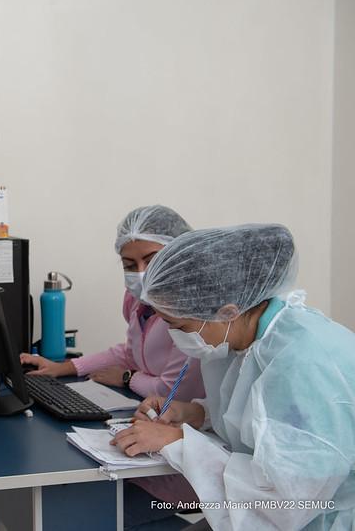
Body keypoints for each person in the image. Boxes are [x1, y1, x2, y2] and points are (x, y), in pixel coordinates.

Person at [114, 224, 355, 530]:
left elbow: (287, 501)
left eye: (181, 327)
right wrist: (196, 413)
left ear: (227, 311)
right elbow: (260, 417)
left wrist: (179, 442)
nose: (175, 337)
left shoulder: (303, 363)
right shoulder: (239, 341)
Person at [20, 205, 205, 529]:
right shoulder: (136, 301)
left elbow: (169, 389)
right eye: (130, 264)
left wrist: (128, 378)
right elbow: (130, 351)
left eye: (151, 259)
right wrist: (65, 368)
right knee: (60, 500)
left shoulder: (192, 315)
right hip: (140, 458)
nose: (141, 272)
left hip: (180, 478)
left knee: (74, 517)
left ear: (179, 254)